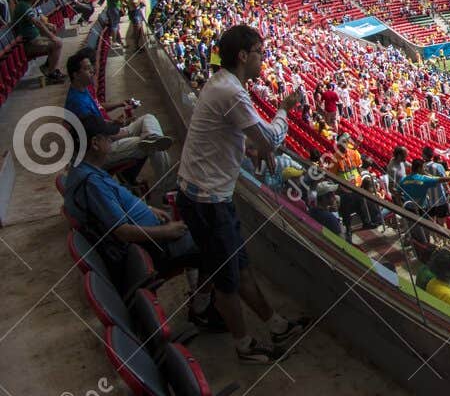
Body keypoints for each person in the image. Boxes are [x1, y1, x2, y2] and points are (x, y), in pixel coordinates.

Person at [174, 24, 307, 364]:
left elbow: (231, 137)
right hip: (207, 200)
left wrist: (247, 149)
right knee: (227, 279)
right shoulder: (231, 92)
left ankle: (276, 325)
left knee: (240, 268)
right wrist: (283, 110)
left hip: (211, 195)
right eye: (260, 52)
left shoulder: (224, 86)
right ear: (243, 56)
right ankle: (244, 345)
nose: (264, 58)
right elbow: (271, 140)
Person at [63, 115, 196, 279]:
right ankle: (204, 298)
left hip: (152, 233)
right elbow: (123, 232)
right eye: (108, 137)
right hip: (154, 248)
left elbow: (116, 204)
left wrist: (148, 208)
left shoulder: (87, 170)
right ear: (95, 143)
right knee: (214, 242)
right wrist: (167, 231)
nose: (112, 141)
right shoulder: (92, 183)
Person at [63, 48, 172, 188]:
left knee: (148, 118)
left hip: (109, 134)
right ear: (76, 75)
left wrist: (115, 123)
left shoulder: (82, 90)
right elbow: (97, 135)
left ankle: (152, 138)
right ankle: (169, 189)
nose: (92, 71)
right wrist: (120, 131)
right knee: (151, 145)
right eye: (87, 69)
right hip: (103, 150)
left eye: (91, 67)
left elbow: (98, 122)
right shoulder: (77, 102)